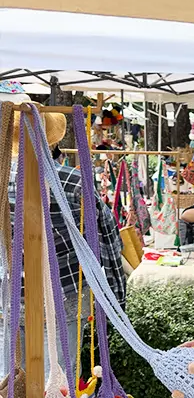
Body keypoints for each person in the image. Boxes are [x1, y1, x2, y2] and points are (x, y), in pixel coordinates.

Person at [6, 106, 126, 377]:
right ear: (54, 139)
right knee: (59, 380)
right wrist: (116, 298)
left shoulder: (2, 181)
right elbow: (106, 240)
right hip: (66, 290)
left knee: (10, 382)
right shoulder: (72, 181)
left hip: (10, 295)